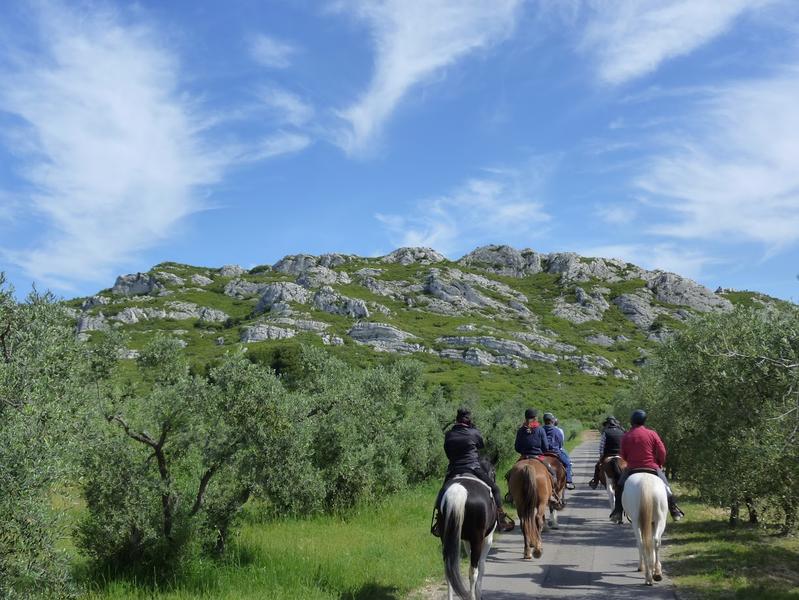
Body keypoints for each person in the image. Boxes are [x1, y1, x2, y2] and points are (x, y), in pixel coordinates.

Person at [431, 407, 514, 536]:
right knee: (495, 489)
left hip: (454, 469)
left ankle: (439, 521)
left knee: (442, 493)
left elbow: (448, 452)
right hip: (473, 468)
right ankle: (500, 517)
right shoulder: (474, 432)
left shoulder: (449, 434)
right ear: (469, 419)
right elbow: (481, 446)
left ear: (457, 419)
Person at [609, 409, 685, 523]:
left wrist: (630, 460)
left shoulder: (627, 436)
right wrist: (659, 463)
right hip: (652, 467)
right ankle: (674, 511)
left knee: (619, 487)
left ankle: (618, 512)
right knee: (667, 487)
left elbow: (623, 455)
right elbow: (662, 451)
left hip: (631, 468)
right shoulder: (652, 434)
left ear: (632, 421)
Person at [513, 408, 560, 499]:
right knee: (552, 472)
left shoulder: (520, 430)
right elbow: (545, 447)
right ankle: (552, 493)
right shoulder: (540, 430)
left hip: (524, 456)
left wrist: (523, 451)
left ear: (525, 417)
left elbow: (517, 447)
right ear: (535, 418)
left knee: (511, 473)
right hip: (539, 457)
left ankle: (511, 494)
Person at [589, 416, 625, 489]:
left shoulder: (605, 432)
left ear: (607, 424)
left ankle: (595, 482)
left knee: (597, 466)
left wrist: (601, 457)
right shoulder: (621, 431)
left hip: (608, 454)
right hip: (620, 455)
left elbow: (601, 446)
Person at [543, 413, 575, 490]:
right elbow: (561, 444)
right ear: (552, 421)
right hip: (555, 452)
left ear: (544, 421)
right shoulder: (557, 431)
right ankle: (568, 482)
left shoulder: (540, 429)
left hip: (542, 453)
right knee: (568, 464)